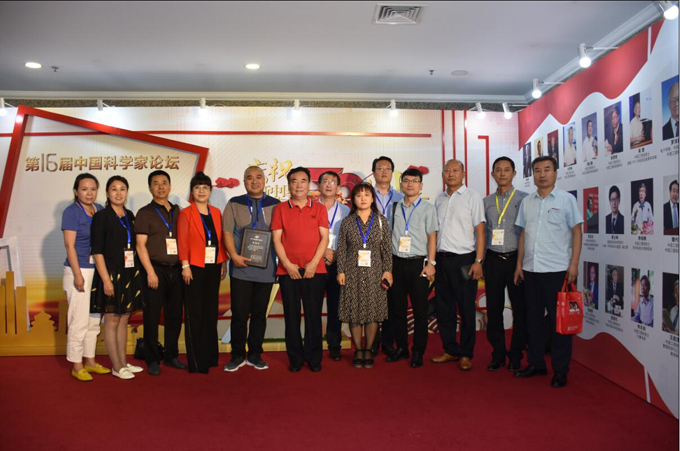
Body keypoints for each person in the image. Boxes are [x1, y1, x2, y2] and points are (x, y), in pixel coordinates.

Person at [514, 156, 583, 388]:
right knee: (533, 321)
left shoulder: (566, 200)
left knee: (558, 323)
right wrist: (519, 265)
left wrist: (574, 264)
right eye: (537, 170)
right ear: (532, 174)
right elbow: (523, 235)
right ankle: (536, 364)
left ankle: (560, 370)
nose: (542, 174)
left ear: (555, 173)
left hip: (557, 271)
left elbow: (577, 232)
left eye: (546, 169)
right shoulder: (527, 202)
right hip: (531, 270)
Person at [222, 166, 280, 372]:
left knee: (259, 315)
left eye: (258, 177)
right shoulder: (234, 203)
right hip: (241, 269)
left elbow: (281, 236)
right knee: (239, 314)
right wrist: (233, 255)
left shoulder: (276, 205)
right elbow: (227, 232)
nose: (254, 181)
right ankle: (237, 355)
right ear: (244, 181)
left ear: (264, 180)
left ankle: (255, 354)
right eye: (249, 178)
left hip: (266, 270)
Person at [271, 167, 329, 372]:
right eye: (294, 181)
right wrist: (287, 264)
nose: (298, 185)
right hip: (288, 271)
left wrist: (313, 263)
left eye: (303, 181)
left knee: (314, 316)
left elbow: (324, 238)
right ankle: (295, 359)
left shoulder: (319, 208)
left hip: (315, 270)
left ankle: (314, 358)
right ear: (288, 184)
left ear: (309, 184)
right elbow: (276, 239)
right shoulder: (280, 209)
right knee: (291, 316)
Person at [433, 159, 485, 371]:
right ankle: (450, 350)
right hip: (441, 261)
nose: (451, 173)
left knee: (466, 309)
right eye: (447, 170)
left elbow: (480, 231)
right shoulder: (439, 199)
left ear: (463, 174)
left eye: (455, 170)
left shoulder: (472, 197)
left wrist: (478, 261)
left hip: (465, 260)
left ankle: (466, 353)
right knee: (444, 309)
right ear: (443, 175)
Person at [90, 176, 145, 380]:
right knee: (112, 319)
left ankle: (123, 362)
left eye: (122, 189)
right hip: (110, 274)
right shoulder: (101, 216)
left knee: (124, 319)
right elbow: (97, 251)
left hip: (129, 273)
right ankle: (116, 365)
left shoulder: (129, 215)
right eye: (114, 189)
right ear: (107, 193)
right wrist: (106, 280)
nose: (118, 193)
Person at [135, 170, 186, 376]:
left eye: (164, 182)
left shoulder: (179, 212)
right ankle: (152, 358)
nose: (161, 187)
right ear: (150, 188)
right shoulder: (144, 212)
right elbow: (140, 246)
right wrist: (150, 272)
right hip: (154, 270)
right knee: (152, 316)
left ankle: (171, 355)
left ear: (170, 186)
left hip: (177, 270)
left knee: (174, 315)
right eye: (156, 183)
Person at [336, 183, 392, 369]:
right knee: (354, 312)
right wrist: (341, 271)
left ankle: (368, 349)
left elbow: (387, 249)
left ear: (372, 198)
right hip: (352, 272)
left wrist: (387, 270)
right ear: (353, 199)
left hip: (375, 273)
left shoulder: (381, 221)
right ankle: (358, 350)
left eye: (367, 195)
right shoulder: (347, 222)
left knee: (372, 313)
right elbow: (342, 249)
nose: (363, 198)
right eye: (359, 195)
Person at [177, 172, 228, 374]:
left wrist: (222, 262)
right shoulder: (185, 213)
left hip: (214, 266)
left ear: (210, 191)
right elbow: (182, 242)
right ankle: (197, 361)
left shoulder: (216, 212)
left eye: (205, 188)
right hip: (194, 267)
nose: (201, 191)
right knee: (195, 313)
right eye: (197, 188)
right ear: (192, 191)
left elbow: (219, 240)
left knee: (210, 312)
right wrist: (185, 266)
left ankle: (210, 357)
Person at [387, 168, 438, 368]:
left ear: (421, 185)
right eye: (406, 180)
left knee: (420, 311)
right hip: (397, 263)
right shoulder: (394, 207)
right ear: (401, 184)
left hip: (419, 264)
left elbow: (432, 237)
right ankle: (401, 347)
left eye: (414, 181)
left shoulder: (428, 208)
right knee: (398, 310)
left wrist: (431, 263)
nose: (410, 184)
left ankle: (418, 350)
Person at [62, 173, 109, 381]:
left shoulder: (99, 209)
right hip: (79, 270)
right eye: (84, 189)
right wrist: (77, 274)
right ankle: (76, 364)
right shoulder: (71, 212)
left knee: (93, 320)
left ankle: (90, 361)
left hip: (97, 270)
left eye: (93, 189)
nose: (89, 193)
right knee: (78, 320)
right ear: (76, 191)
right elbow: (69, 245)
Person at [482, 157, 528, 372]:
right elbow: (483, 233)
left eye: (506, 170)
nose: (502, 174)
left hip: (516, 261)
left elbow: (527, 232)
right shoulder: (486, 201)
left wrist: (521, 263)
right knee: (494, 309)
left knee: (520, 310)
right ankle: (498, 353)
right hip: (493, 260)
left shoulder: (524, 199)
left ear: (514, 173)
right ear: (492, 174)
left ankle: (516, 354)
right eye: (498, 170)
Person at [371, 156, 404, 356]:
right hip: (371, 254)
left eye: (388, 168)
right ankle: (373, 340)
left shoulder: (402, 197)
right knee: (374, 298)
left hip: (395, 253)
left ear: (393, 172)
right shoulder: (365, 195)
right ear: (373, 172)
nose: (384, 172)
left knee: (393, 300)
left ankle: (389, 341)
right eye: (379, 168)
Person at [317, 170, 350, 362]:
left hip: (338, 263)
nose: (329, 185)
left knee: (336, 306)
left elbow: (350, 238)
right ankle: (313, 343)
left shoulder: (345, 211)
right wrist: (323, 252)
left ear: (338, 187)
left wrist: (338, 253)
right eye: (325, 181)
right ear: (319, 186)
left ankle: (334, 344)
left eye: (333, 182)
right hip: (315, 262)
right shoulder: (312, 208)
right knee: (313, 305)